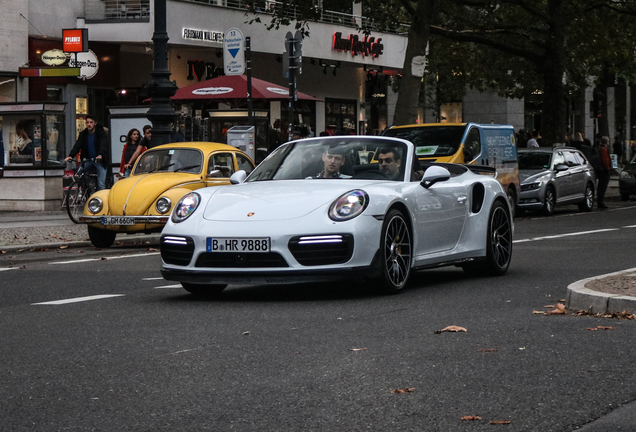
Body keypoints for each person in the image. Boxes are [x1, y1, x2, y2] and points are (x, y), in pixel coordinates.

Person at [64, 115, 109, 191]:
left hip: (99, 161)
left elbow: (103, 145)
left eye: (91, 122)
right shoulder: (83, 134)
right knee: (79, 173)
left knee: (101, 183)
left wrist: (100, 155)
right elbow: (78, 145)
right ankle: (86, 189)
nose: (89, 124)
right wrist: (71, 156)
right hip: (88, 160)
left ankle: (101, 199)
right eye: (87, 122)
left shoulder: (101, 134)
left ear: (95, 123)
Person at [596, 136, 612, 209]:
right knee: (602, 187)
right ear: (607, 142)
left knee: (601, 187)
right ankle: (600, 203)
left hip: (601, 170)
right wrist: (608, 168)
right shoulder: (604, 149)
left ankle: (600, 202)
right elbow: (605, 160)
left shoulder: (599, 148)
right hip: (604, 171)